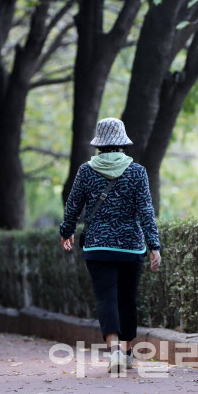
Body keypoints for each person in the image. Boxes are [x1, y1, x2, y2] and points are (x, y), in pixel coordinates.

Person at [60, 117, 161, 374]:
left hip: (97, 247)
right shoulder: (137, 172)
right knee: (127, 299)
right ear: (122, 144)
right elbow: (146, 211)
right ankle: (127, 352)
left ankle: (115, 350)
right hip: (131, 247)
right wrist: (154, 246)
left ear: (99, 145)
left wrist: (66, 232)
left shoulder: (86, 170)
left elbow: (73, 206)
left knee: (106, 297)